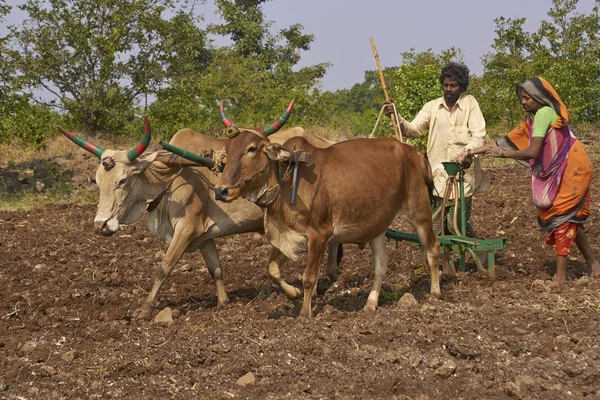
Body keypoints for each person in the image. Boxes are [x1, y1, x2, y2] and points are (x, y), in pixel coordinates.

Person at [460, 77, 600, 283]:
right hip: (563, 168)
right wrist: (471, 152)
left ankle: (560, 278)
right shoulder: (531, 120)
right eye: (522, 98)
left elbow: (532, 151)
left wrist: (503, 155)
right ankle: (594, 265)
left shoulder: (544, 113)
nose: (523, 102)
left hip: (572, 167)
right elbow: (502, 143)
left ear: (539, 97)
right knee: (569, 219)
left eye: (527, 98)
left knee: (562, 217)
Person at [385, 62, 489, 239]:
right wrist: (397, 116)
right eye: (446, 85)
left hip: (462, 177)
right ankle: (442, 263)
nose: (448, 89)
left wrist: (468, 152)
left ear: (461, 87)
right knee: (434, 225)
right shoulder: (432, 107)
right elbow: (414, 129)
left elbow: (478, 134)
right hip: (436, 176)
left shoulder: (470, 104)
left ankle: (478, 251)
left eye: (453, 85)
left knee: (457, 223)